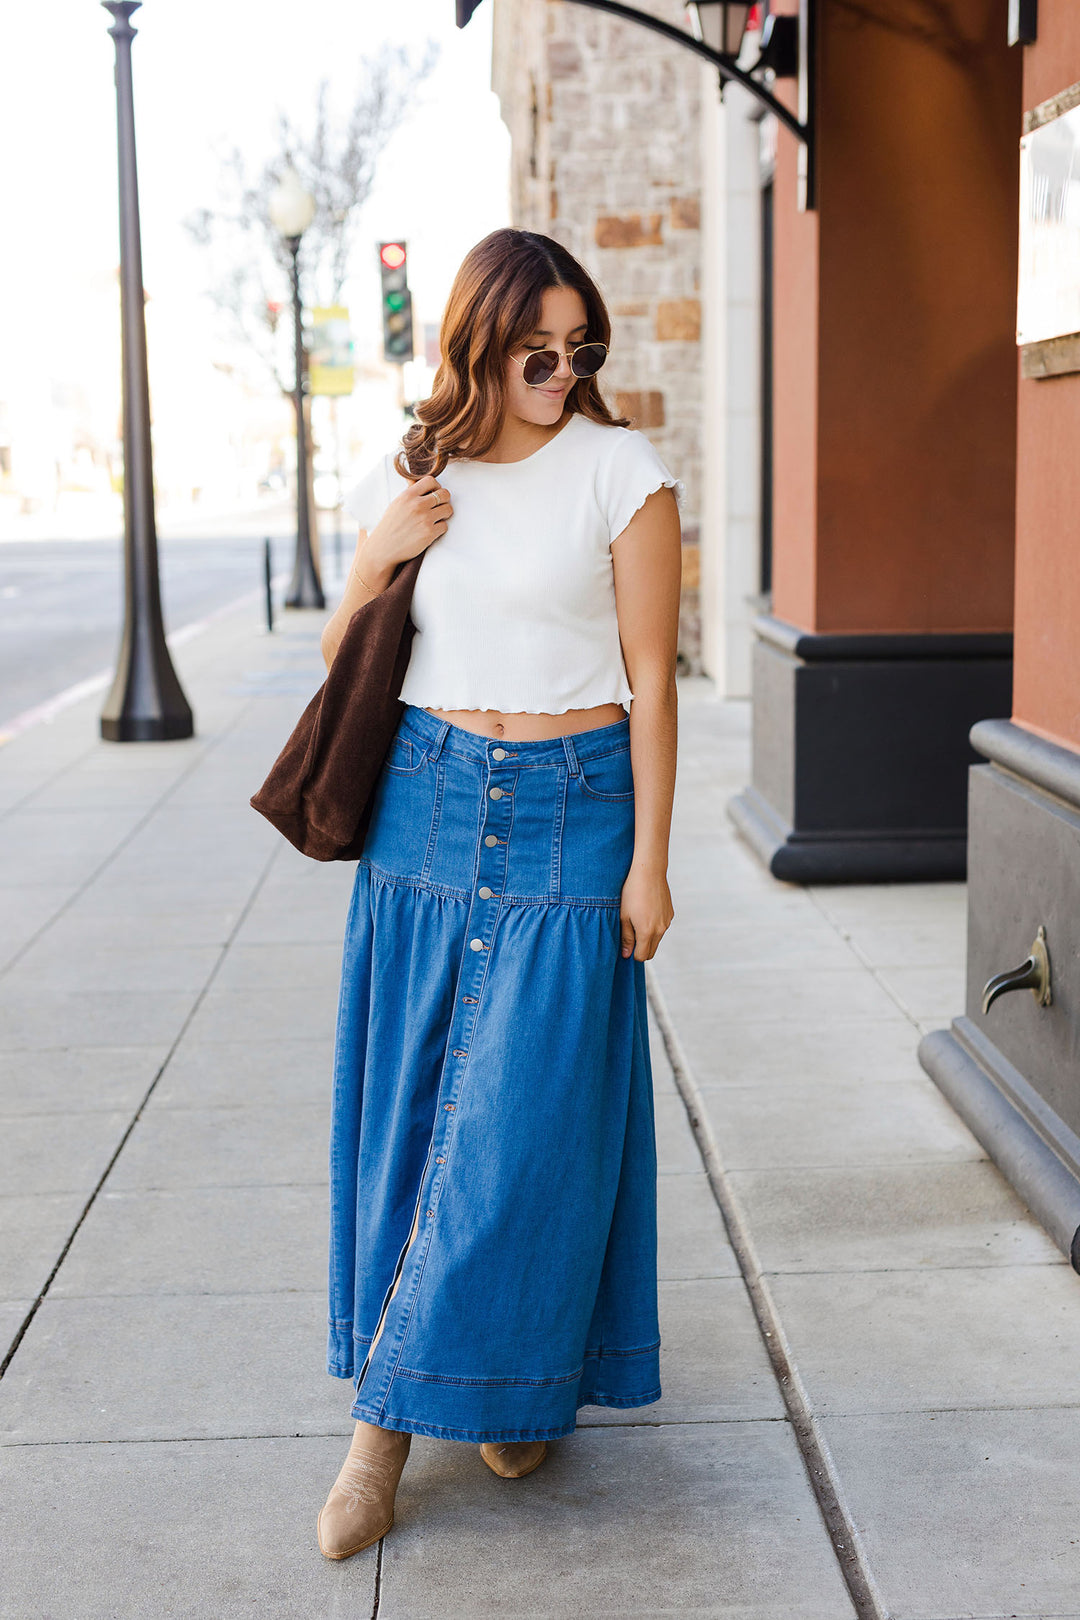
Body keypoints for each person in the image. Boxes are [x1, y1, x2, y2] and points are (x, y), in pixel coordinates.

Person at [314, 227, 682, 1561]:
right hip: (427, 803)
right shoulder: (418, 470)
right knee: (416, 1118)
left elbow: (652, 674)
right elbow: (344, 645)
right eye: (539, 348)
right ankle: (380, 1442)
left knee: (525, 1128)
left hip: (574, 812)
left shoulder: (621, 472)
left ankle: (513, 1383)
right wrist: (375, 552)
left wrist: (650, 860)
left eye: (582, 350)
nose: (562, 369)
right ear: (480, 338)